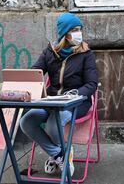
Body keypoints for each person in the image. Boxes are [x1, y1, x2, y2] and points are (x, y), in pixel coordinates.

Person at [20, 12, 98, 176]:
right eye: (75, 30)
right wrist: (29, 87)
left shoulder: (85, 54)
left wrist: (74, 95)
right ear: (65, 33)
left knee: (53, 124)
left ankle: (57, 155)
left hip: (77, 102)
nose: (79, 33)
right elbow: (36, 71)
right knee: (27, 121)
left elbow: (91, 84)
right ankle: (59, 154)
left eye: (80, 29)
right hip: (51, 101)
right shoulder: (50, 52)